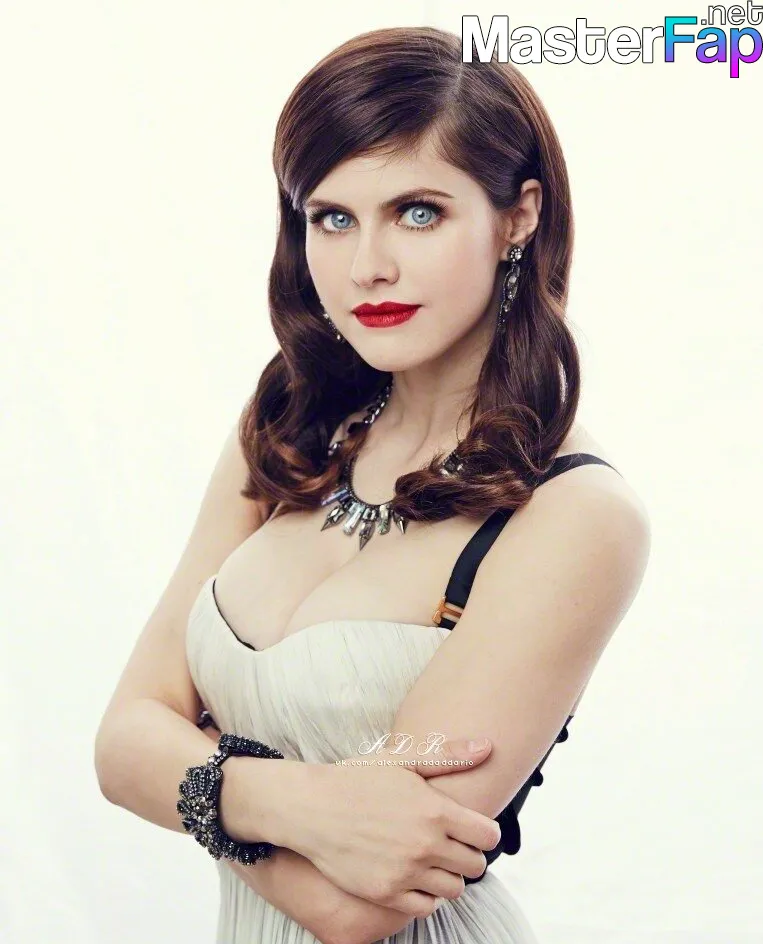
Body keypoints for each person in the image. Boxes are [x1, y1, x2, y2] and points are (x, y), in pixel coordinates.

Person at [94, 24, 651, 944]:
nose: (367, 267)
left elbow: (358, 907)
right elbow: (119, 745)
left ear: (517, 216)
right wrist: (300, 806)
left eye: (418, 212)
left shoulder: (573, 514)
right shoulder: (286, 433)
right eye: (332, 218)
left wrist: (193, 775)